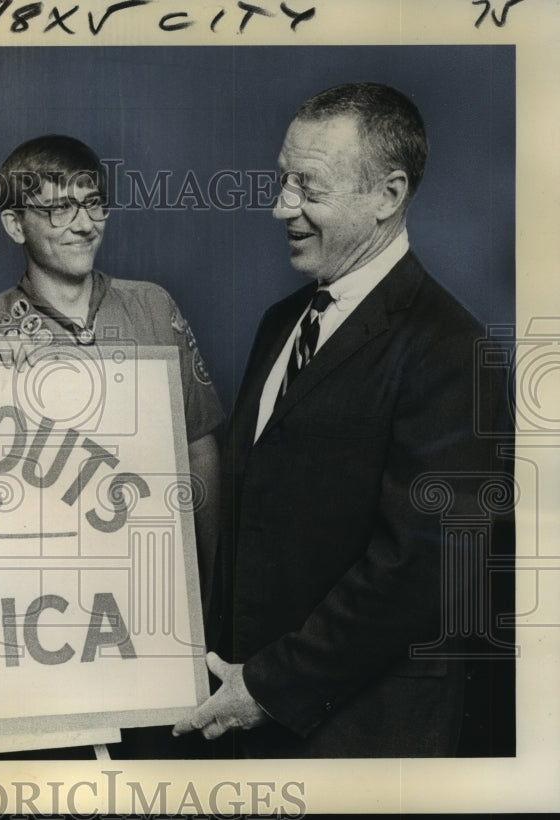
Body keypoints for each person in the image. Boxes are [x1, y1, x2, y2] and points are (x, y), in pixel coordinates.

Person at [173, 83, 511, 757]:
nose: (280, 208)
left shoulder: (453, 350)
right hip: (247, 724)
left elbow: (425, 570)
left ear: (388, 195)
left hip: (360, 743)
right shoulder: (281, 324)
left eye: (308, 188)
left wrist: (266, 687)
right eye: (282, 180)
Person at [0, 134, 224, 598]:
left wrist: (212, 582)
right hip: (42, 588)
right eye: (59, 208)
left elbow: (198, 446)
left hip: (154, 574)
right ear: (16, 225)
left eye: (94, 204)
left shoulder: (154, 307)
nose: (84, 225)